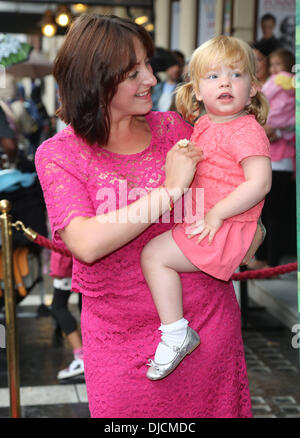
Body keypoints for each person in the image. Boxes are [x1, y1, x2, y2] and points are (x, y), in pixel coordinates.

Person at [35, 15, 264, 418]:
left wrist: (251, 230)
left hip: (207, 324)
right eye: (133, 71)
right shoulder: (60, 154)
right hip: (119, 342)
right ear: (96, 79)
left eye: (147, 65)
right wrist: (169, 191)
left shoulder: (176, 127)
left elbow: (237, 188)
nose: (151, 79)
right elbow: (85, 244)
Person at [141, 35, 272, 380]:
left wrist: (217, 213)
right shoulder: (205, 124)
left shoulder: (246, 130)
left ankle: (175, 333)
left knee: (154, 255)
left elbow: (259, 183)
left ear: (254, 88)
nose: (226, 82)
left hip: (224, 225)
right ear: (197, 90)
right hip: (214, 221)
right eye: (213, 76)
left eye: (237, 75)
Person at [248, 48, 296, 270]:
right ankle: (263, 259)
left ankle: (273, 263)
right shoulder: (269, 90)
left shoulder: (285, 90)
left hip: (281, 163)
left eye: (279, 65)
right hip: (266, 162)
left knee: (274, 216)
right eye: (273, 64)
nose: (276, 70)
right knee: (264, 214)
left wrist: (275, 128)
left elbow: (286, 120)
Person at [49, 251, 84, 381]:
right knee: (84, 306)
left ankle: (81, 357)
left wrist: (58, 267)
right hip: (81, 259)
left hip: (69, 260)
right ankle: (87, 355)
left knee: (58, 306)